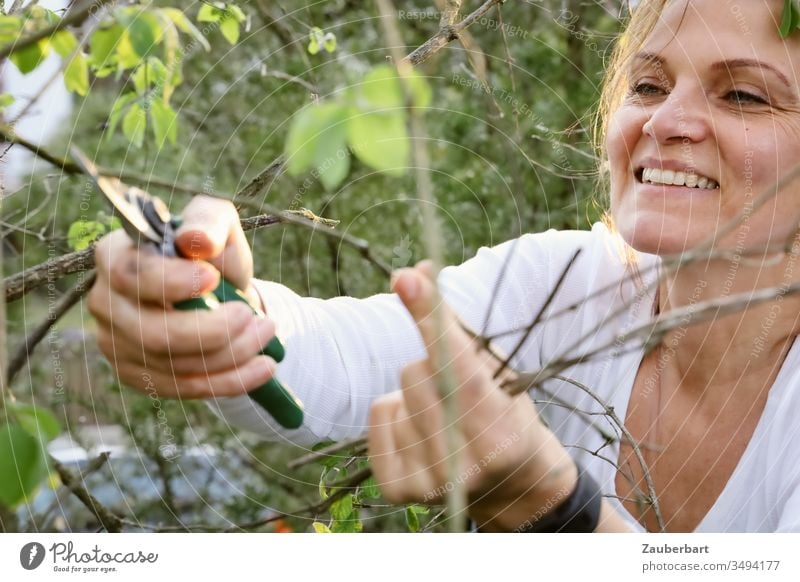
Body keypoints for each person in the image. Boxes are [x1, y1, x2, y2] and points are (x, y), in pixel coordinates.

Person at [88, 0, 800, 532]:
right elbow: (328, 366)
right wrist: (220, 306)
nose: (664, 121)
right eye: (647, 86)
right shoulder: (567, 284)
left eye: (743, 94)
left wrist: (555, 513)